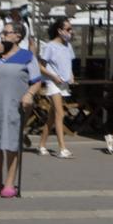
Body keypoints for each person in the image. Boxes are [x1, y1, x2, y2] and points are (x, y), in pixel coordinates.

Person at [0, 23, 41, 197]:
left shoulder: (27, 56)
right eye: (1, 33)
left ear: (18, 36)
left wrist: (29, 94)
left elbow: (36, 81)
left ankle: (10, 183)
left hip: (13, 106)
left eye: (6, 33)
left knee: (11, 144)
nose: (2, 36)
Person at [37, 16, 76, 157]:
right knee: (60, 113)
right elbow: (40, 65)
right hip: (52, 82)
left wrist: (71, 74)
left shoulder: (68, 46)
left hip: (64, 83)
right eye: (68, 29)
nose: (70, 32)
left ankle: (41, 144)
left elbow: (68, 63)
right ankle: (62, 148)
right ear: (60, 30)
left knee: (52, 116)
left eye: (71, 29)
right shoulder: (49, 46)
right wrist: (53, 76)